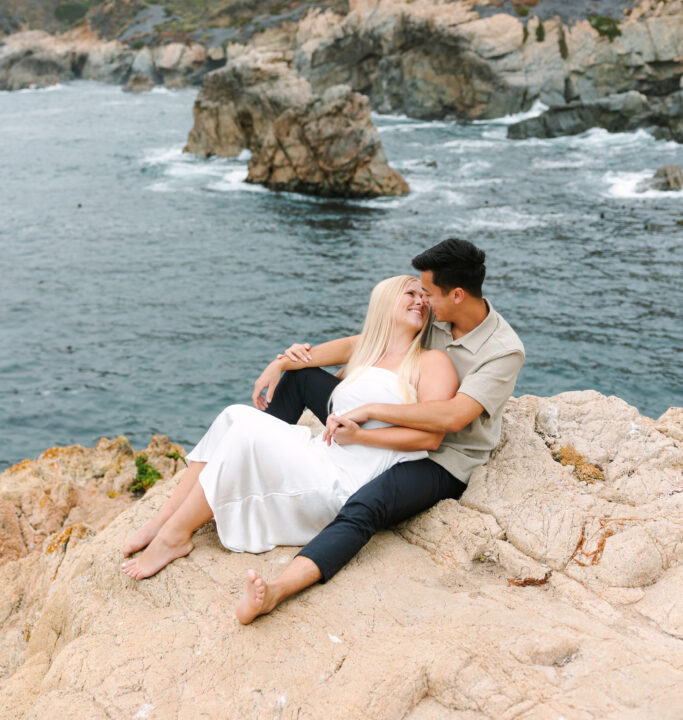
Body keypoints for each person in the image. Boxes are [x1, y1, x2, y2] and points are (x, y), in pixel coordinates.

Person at [236, 236, 524, 624]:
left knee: (366, 507)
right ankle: (247, 463)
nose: (421, 301)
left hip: (441, 457)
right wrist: (284, 363)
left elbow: (452, 417)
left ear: (457, 295)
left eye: (428, 294)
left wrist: (368, 414)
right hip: (388, 422)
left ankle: (277, 590)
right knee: (302, 380)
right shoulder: (438, 316)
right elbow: (362, 343)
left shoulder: (503, 350)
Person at [121, 275, 458, 583]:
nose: (421, 301)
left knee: (245, 435)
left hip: (349, 476)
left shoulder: (432, 362)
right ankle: (163, 520)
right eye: (410, 293)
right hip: (324, 452)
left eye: (424, 296)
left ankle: (174, 537)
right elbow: (303, 360)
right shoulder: (364, 348)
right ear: (385, 301)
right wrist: (277, 364)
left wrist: (361, 437)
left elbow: (428, 437)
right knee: (234, 415)